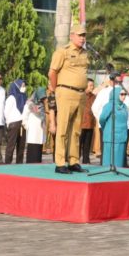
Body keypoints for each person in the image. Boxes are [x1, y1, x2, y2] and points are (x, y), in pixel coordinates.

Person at [47, 24, 89, 174]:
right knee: (63, 129)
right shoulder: (62, 52)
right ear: (72, 36)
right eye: (79, 35)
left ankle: (73, 161)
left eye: (84, 35)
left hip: (80, 94)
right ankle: (60, 163)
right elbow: (52, 72)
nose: (82, 38)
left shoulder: (85, 53)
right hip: (66, 92)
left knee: (76, 130)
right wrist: (54, 88)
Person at [99, 85, 129, 168]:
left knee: (118, 162)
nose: (124, 96)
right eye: (121, 94)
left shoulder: (124, 106)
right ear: (115, 95)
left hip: (121, 137)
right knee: (108, 161)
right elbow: (102, 119)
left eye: (125, 94)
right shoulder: (109, 105)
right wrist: (106, 128)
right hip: (110, 137)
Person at [23, 88, 52, 163]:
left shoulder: (42, 105)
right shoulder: (29, 103)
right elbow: (24, 117)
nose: (42, 99)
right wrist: (27, 127)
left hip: (40, 130)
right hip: (32, 130)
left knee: (38, 149)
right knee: (32, 149)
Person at [4, 79, 28, 164]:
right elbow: (6, 111)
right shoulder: (11, 98)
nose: (24, 87)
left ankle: (19, 163)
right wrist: (8, 123)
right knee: (11, 145)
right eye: (22, 86)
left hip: (22, 124)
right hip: (14, 123)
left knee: (21, 146)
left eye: (24, 86)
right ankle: (7, 163)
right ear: (17, 86)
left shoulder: (24, 96)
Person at [79, 79, 96, 164]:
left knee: (87, 144)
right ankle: (75, 161)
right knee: (78, 143)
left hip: (90, 123)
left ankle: (86, 160)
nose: (92, 87)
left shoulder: (94, 97)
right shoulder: (80, 95)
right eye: (90, 85)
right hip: (81, 123)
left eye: (93, 85)